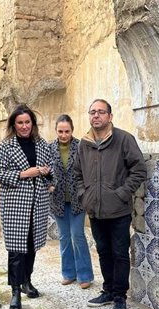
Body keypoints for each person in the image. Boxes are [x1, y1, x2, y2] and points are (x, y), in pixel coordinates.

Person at [74, 99, 146, 309]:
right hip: (95, 210)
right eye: (92, 112)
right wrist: (83, 194)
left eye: (101, 112)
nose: (96, 116)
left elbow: (139, 169)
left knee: (119, 253)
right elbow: (77, 173)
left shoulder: (123, 139)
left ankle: (120, 296)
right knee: (103, 251)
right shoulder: (84, 143)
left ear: (110, 116)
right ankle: (107, 290)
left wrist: (122, 193)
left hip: (118, 211)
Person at [0, 104, 51, 309]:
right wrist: (25, 173)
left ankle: (27, 281)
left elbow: (49, 169)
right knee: (16, 250)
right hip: (15, 204)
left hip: (37, 203)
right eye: (20, 123)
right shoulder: (6, 146)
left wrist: (46, 173)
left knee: (32, 246)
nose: (24, 126)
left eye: (27, 122)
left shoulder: (42, 144)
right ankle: (15, 292)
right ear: (13, 124)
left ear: (32, 124)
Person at [48, 114, 94, 289]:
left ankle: (85, 275)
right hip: (58, 200)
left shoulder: (81, 146)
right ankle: (68, 273)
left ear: (72, 131)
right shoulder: (49, 148)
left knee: (78, 235)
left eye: (67, 131)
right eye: (60, 131)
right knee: (64, 237)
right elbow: (45, 171)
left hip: (77, 200)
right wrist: (48, 184)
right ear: (56, 131)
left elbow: (87, 171)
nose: (63, 135)